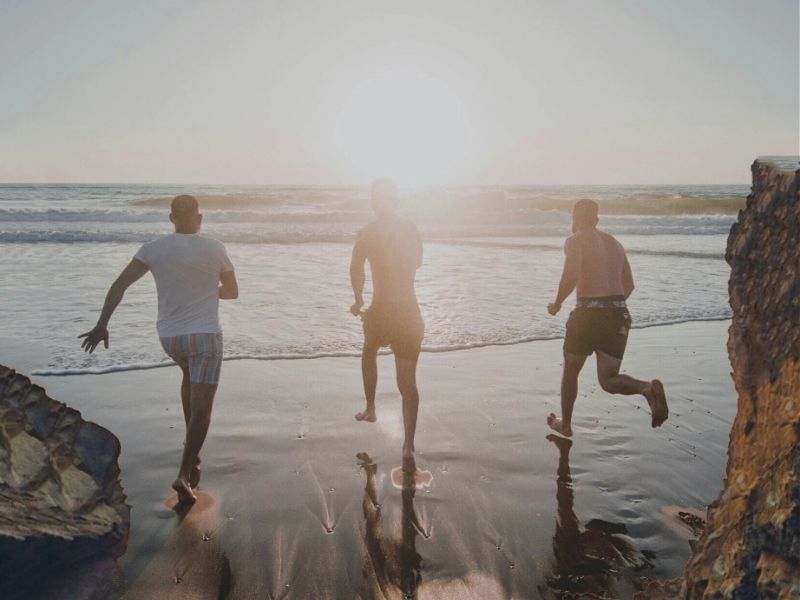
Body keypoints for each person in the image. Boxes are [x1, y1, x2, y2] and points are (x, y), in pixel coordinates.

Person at [79, 194, 238, 504]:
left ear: (170, 218)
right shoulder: (215, 247)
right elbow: (232, 292)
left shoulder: (153, 249)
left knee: (188, 378)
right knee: (203, 407)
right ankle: (183, 473)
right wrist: (204, 291)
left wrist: (102, 324)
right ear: (199, 218)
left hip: (171, 338)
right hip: (205, 337)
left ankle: (192, 455)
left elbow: (120, 284)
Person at [546, 199, 667, 437]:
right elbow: (629, 285)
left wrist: (557, 303)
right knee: (608, 380)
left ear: (575, 218)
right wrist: (610, 308)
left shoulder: (575, 239)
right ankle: (646, 388)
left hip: (589, 314)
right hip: (619, 314)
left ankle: (566, 424)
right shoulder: (615, 243)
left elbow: (571, 275)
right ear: (597, 219)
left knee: (571, 369)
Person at [350, 178, 424, 472]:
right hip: (408, 310)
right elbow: (416, 262)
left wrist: (358, 300)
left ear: (373, 202)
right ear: (395, 200)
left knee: (369, 350)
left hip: (381, 310)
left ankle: (371, 408)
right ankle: (408, 446)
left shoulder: (367, 233)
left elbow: (355, 268)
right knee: (407, 383)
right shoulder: (410, 229)